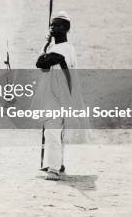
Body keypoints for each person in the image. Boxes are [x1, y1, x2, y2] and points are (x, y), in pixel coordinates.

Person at [33, 11, 90, 181]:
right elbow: (42, 66)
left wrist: (46, 46)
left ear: (66, 28)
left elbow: (41, 62)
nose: (53, 27)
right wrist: (46, 45)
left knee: (53, 131)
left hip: (61, 94)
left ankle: (53, 169)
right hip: (53, 93)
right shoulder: (54, 48)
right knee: (54, 131)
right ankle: (57, 163)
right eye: (52, 24)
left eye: (57, 24)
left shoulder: (65, 49)